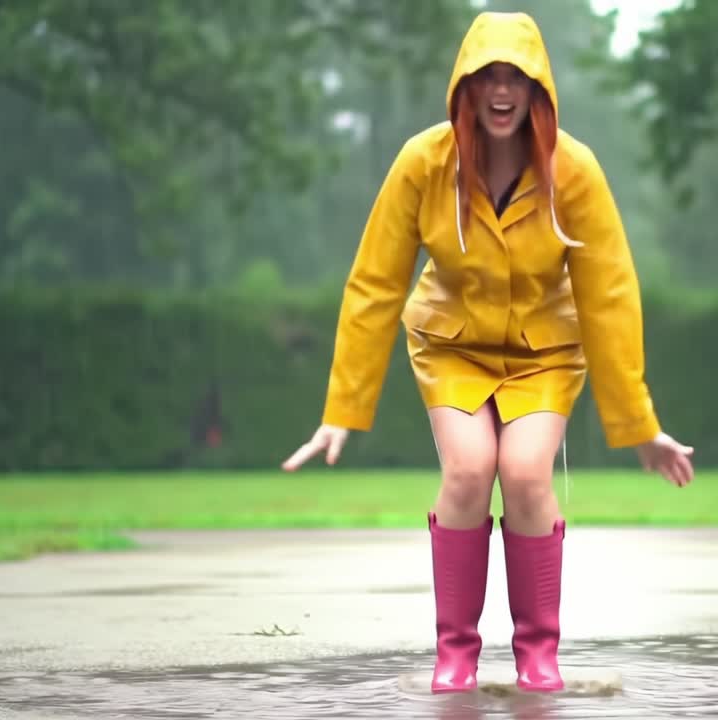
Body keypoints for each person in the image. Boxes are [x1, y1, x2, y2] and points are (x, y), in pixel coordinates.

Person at [281, 11, 695, 694]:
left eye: (517, 78)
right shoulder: (423, 162)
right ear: (464, 89)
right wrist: (342, 409)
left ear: (539, 91)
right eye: (487, 77)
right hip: (452, 347)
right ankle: (456, 654)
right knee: (470, 471)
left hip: (544, 352)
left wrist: (639, 426)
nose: (502, 91)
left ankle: (538, 654)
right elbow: (375, 284)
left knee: (528, 473)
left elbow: (611, 298)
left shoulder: (576, 172)